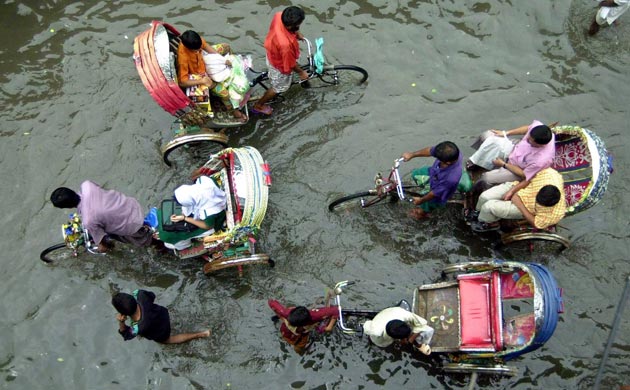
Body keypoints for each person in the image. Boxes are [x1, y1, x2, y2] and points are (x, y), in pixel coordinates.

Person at [465, 121, 555, 220]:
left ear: (539, 145)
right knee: (487, 135)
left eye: (530, 141)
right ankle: (478, 159)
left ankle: (477, 192)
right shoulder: (538, 129)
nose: (527, 139)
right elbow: (528, 128)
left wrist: (504, 165)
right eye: (528, 137)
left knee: (487, 178)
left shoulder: (541, 160)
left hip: (518, 169)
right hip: (516, 150)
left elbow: (524, 175)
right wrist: (505, 133)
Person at [50, 181, 153, 252]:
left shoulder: (88, 220)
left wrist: (103, 248)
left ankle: (160, 247)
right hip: (130, 205)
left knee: (149, 242)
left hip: (132, 224)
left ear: (67, 207)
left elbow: (103, 245)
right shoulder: (87, 186)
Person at [177, 30, 247, 122]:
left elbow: (208, 48)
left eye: (199, 49)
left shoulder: (196, 41)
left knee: (226, 47)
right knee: (225, 94)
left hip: (205, 59)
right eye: (196, 50)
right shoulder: (183, 58)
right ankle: (233, 111)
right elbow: (182, 82)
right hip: (200, 75)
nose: (198, 50)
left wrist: (222, 60)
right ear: (189, 48)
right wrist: (201, 81)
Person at [251, 6, 309, 115]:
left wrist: (296, 33)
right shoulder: (286, 45)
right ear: (290, 26)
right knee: (278, 88)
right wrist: (301, 72)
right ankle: (258, 106)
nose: (299, 26)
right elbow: (291, 64)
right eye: (298, 25)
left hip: (271, 52)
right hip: (279, 64)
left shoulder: (279, 16)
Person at [471, 167, 566, 232]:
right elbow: (528, 179)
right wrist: (512, 191)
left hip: (525, 207)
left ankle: (486, 222)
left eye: (539, 204)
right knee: (485, 196)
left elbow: (536, 223)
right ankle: (478, 212)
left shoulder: (555, 214)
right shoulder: (548, 175)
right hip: (519, 188)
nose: (537, 202)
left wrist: (519, 204)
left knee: (488, 207)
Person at [112, 289, 210, 344]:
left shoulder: (138, 328)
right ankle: (203, 333)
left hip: (160, 332)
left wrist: (121, 322)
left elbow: (126, 334)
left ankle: (200, 334)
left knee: (168, 340)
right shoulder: (139, 294)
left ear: (123, 314)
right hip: (163, 314)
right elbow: (152, 295)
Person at [157, 175, 227, 250]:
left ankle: (187, 245)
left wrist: (185, 218)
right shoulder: (205, 182)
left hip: (214, 222)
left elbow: (207, 226)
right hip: (212, 207)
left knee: (177, 238)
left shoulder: (209, 211)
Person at [401, 141, 464, 219]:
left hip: (437, 194)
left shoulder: (451, 178)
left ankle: (424, 214)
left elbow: (433, 194)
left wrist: (421, 200)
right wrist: (412, 155)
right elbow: (430, 150)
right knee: (415, 174)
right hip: (433, 173)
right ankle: (425, 191)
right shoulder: (449, 152)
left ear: (447, 162)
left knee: (422, 209)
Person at [268, 299, 338, 353]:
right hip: (286, 330)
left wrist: (329, 327)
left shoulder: (315, 316)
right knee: (286, 336)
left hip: (302, 334)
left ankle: (300, 350)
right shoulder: (286, 313)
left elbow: (335, 310)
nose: (289, 323)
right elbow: (271, 302)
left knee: (299, 348)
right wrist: (278, 314)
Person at [362, 306, 434, 355]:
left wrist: (411, 339)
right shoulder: (376, 330)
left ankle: (418, 345)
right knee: (377, 342)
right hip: (380, 326)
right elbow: (366, 326)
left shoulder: (404, 315)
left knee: (421, 330)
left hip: (392, 313)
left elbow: (421, 324)